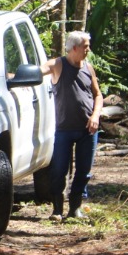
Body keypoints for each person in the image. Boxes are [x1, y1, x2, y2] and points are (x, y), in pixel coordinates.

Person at [40, 31, 103, 221]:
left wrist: (95, 116)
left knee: (84, 170)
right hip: (64, 129)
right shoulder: (59, 64)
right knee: (59, 169)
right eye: (85, 46)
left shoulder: (88, 68)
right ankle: (57, 209)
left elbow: (98, 95)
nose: (88, 50)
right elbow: (39, 70)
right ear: (74, 48)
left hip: (88, 129)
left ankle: (75, 208)